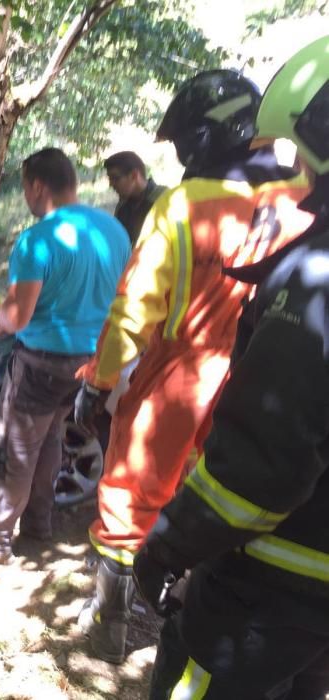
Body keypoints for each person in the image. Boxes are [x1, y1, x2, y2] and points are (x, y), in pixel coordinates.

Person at [74, 70, 315, 664]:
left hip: (181, 369)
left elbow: (134, 310)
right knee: (218, 497)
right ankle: (191, 604)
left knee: (129, 490)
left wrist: (99, 381)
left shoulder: (182, 205)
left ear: (209, 135)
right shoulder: (303, 196)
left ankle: (108, 623)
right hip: (262, 373)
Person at [134, 36, 329, 700]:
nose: (293, 170)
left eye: (299, 154)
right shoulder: (281, 216)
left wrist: (165, 547)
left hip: (263, 582)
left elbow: (256, 469)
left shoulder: (312, 272)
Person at [0, 147, 131, 566]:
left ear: (37, 185)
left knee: (16, 451)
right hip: (88, 363)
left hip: (41, 363)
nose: (25, 195)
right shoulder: (113, 231)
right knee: (50, 443)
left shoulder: (38, 239)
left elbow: (18, 315)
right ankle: (39, 526)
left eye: (24, 186)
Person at [104, 151, 168, 244]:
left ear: (134, 175)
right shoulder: (123, 206)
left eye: (116, 178)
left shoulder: (165, 199)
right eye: (110, 179)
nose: (111, 184)